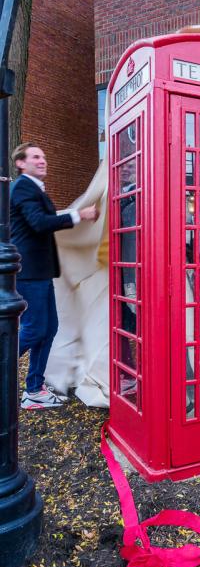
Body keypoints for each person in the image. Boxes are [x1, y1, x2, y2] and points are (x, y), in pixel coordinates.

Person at [10, 143, 98, 409]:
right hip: (29, 271)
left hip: (41, 271)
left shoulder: (35, 189)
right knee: (35, 328)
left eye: (44, 157)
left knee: (48, 330)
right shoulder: (23, 187)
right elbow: (39, 223)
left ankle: (34, 389)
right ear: (20, 164)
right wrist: (78, 215)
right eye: (36, 157)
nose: (42, 160)